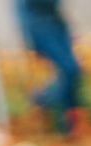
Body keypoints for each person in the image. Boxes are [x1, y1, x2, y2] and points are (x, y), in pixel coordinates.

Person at [15, 0, 82, 133]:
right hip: (39, 26)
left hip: (56, 23)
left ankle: (69, 126)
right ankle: (42, 99)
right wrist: (29, 38)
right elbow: (22, 9)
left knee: (71, 72)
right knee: (70, 69)